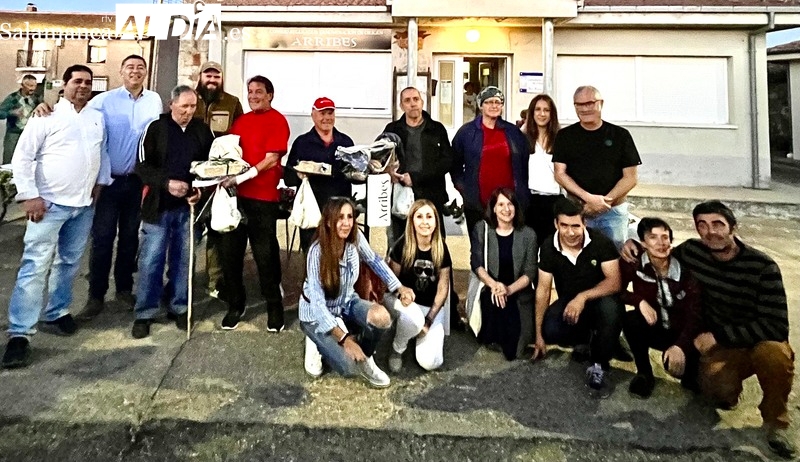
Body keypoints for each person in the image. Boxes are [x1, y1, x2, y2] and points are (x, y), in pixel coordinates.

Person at [621, 201, 795, 458]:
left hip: (757, 341)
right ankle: (729, 390)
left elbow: (777, 325)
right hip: (722, 348)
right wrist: (633, 246)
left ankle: (776, 424)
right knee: (716, 392)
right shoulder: (692, 251)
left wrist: (717, 336)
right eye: (702, 225)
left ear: (733, 227)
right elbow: (660, 255)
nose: (710, 232)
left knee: (774, 356)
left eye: (718, 224)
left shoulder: (762, 267)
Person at [2, 65, 110, 368]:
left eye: (88, 82)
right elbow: (22, 157)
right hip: (48, 205)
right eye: (77, 81)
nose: (83, 86)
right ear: (64, 85)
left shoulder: (95, 118)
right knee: (35, 266)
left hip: (82, 205)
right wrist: (30, 195)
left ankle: (57, 312)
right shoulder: (45, 117)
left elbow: (101, 154)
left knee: (69, 262)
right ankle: (20, 334)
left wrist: (99, 184)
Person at [64, 55, 162, 318]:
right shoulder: (104, 100)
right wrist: (47, 107)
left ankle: (123, 290)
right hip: (109, 182)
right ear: (121, 71)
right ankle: (96, 296)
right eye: (130, 66)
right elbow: (76, 110)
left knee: (130, 239)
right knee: (103, 239)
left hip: (137, 183)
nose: (135, 71)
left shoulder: (154, 100)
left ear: (146, 72)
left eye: (140, 67)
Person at [298, 197, 416, 387]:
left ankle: (367, 358)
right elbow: (318, 304)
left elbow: (374, 261)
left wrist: (398, 286)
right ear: (328, 221)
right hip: (316, 314)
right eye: (340, 218)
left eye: (350, 217)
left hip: (345, 302)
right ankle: (315, 340)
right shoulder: (317, 251)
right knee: (347, 367)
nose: (346, 223)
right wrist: (345, 340)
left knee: (382, 317)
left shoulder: (355, 238)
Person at [130, 86, 213, 339]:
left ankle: (179, 307)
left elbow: (210, 165)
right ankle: (145, 312)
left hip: (188, 209)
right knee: (150, 261)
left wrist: (201, 190)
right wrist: (167, 183)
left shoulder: (202, 129)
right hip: (158, 207)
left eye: (192, 107)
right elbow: (142, 165)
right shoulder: (155, 128)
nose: (189, 112)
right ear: (171, 104)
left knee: (184, 261)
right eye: (184, 106)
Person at [218, 75, 290, 332]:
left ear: (270, 94)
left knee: (265, 256)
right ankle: (236, 306)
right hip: (236, 199)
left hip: (263, 200)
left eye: (259, 91)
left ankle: (274, 306)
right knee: (231, 255)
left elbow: (272, 159)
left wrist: (244, 176)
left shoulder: (278, 121)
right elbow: (231, 153)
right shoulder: (241, 121)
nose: (253, 96)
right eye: (250, 91)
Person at [532, 197, 623, 394]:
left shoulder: (600, 242)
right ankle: (589, 339)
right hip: (570, 301)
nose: (570, 232)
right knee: (551, 329)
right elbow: (543, 290)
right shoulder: (548, 246)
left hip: (601, 298)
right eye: (564, 225)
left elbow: (614, 282)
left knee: (610, 310)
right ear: (556, 223)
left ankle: (599, 362)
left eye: (575, 226)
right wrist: (538, 335)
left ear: (585, 223)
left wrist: (582, 297)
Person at [620, 217, 702, 398]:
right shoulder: (634, 263)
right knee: (631, 320)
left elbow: (695, 313)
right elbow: (618, 290)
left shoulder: (685, 269)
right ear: (643, 243)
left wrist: (680, 346)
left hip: (683, 332)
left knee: (694, 382)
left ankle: (687, 366)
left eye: (665, 237)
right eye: (653, 238)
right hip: (655, 326)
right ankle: (644, 373)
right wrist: (639, 301)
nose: (661, 243)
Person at [552, 85, 641, 250]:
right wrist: (588, 199)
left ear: (601, 104)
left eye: (590, 103)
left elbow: (630, 177)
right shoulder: (565, 136)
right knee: (578, 261)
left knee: (614, 259)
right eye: (580, 104)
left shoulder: (621, 135)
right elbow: (560, 174)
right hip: (578, 213)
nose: (585, 108)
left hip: (613, 213)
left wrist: (603, 202)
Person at [451, 86, 530, 242]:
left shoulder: (513, 132)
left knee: (508, 246)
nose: (494, 106)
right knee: (479, 246)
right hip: (477, 203)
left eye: (498, 102)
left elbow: (524, 163)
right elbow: (454, 164)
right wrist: (464, 189)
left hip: (509, 204)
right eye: (489, 102)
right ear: (481, 105)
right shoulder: (466, 132)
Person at [194, 61, 244, 298]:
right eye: (208, 75)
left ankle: (215, 282)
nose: (212, 80)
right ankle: (182, 282)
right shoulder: (189, 98)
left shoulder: (232, 103)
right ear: (200, 76)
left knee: (218, 230)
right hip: (192, 176)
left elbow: (239, 137)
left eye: (216, 76)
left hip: (220, 179)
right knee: (189, 231)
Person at [470, 188, 537, 360]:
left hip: (517, 291)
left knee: (514, 350)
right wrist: (495, 285)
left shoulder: (528, 234)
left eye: (510, 204)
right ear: (493, 208)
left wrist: (508, 290)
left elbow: (530, 272)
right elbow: (476, 264)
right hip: (491, 290)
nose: (506, 209)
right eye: (501, 204)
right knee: (490, 335)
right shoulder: (482, 229)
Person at [385, 199, 452, 372]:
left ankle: (412, 333)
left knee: (431, 363)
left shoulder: (441, 248)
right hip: (406, 303)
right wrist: (402, 295)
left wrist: (429, 319)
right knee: (412, 318)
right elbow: (391, 282)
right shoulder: (402, 246)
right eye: (419, 216)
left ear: (436, 221)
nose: (424, 222)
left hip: (430, 306)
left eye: (429, 217)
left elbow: (443, 288)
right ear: (412, 221)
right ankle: (397, 349)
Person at [382, 87, 453, 243]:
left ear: (422, 102)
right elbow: (378, 157)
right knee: (399, 244)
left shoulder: (436, 129)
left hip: (431, 194)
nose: (412, 104)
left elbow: (447, 161)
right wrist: (389, 171)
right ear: (401, 106)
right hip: (400, 196)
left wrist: (416, 177)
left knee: (434, 243)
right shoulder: (392, 130)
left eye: (416, 99)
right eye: (407, 100)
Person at [284, 96, 354, 252]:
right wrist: (300, 174)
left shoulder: (346, 143)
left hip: (339, 211)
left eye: (330, 113)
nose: (327, 118)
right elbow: (288, 177)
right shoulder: (301, 143)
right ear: (313, 115)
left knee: (340, 254)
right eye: (322, 113)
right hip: (311, 211)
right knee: (312, 254)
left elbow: (355, 176)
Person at [522, 94, 561, 242]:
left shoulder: (560, 139)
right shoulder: (523, 138)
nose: (542, 114)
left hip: (554, 201)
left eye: (546, 110)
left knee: (551, 248)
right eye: (537, 109)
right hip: (530, 201)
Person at [0, 74, 41, 165]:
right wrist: (11, 113)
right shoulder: (13, 98)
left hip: (30, 134)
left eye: (34, 86)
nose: (33, 88)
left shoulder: (37, 99)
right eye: (30, 86)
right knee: (9, 159)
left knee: (29, 160)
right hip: (13, 134)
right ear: (22, 85)